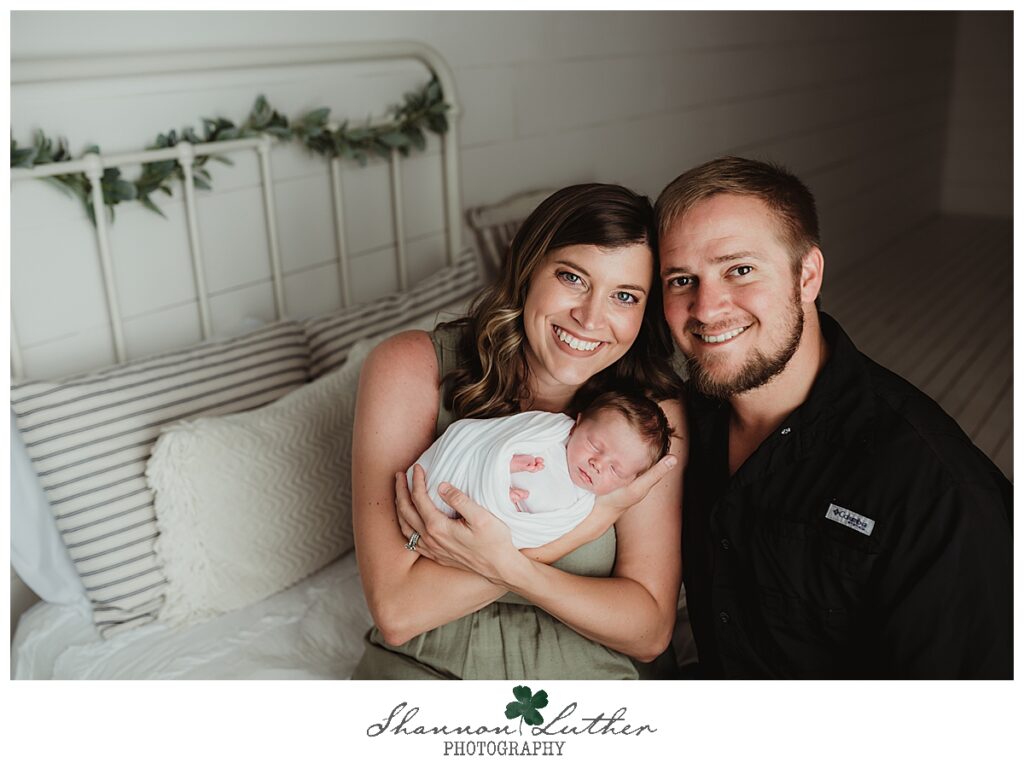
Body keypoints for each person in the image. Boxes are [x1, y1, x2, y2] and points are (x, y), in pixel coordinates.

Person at [655, 155, 1012, 678]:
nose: (706, 309)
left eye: (740, 270)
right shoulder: (684, 423)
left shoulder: (936, 490)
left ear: (807, 275)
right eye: (682, 279)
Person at [351, 183, 685, 680]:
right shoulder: (411, 367)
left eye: (624, 296)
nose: (591, 318)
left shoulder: (650, 421)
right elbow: (398, 613)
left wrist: (510, 566)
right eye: (572, 277)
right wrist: (590, 523)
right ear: (526, 267)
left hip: (582, 688)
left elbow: (650, 631)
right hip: (420, 676)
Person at [408, 390, 673, 548]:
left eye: (616, 470)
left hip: (479, 528)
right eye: (594, 445)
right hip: (459, 482)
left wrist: (504, 504)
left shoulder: (579, 507)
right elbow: (490, 447)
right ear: (578, 424)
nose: (597, 464)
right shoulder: (549, 437)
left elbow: (527, 537)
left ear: (629, 481)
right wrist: (506, 467)